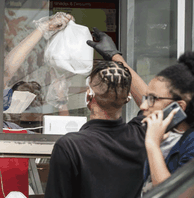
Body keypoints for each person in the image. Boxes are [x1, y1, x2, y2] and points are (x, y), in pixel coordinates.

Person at [87, 28, 194, 195]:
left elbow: (177, 194)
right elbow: (151, 97)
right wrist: (114, 56)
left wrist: (152, 145)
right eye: (146, 98)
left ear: (178, 107)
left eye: (152, 99)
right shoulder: (160, 132)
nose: (142, 106)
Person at [0, 12, 74, 191]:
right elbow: (6, 72)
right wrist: (43, 28)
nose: (4, 88)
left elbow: (64, 140)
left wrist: (61, 100)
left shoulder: (10, 128)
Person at [45, 60, 147, 198]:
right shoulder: (140, 136)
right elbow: (153, 104)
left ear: (89, 95)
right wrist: (117, 58)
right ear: (128, 97)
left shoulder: (70, 146)